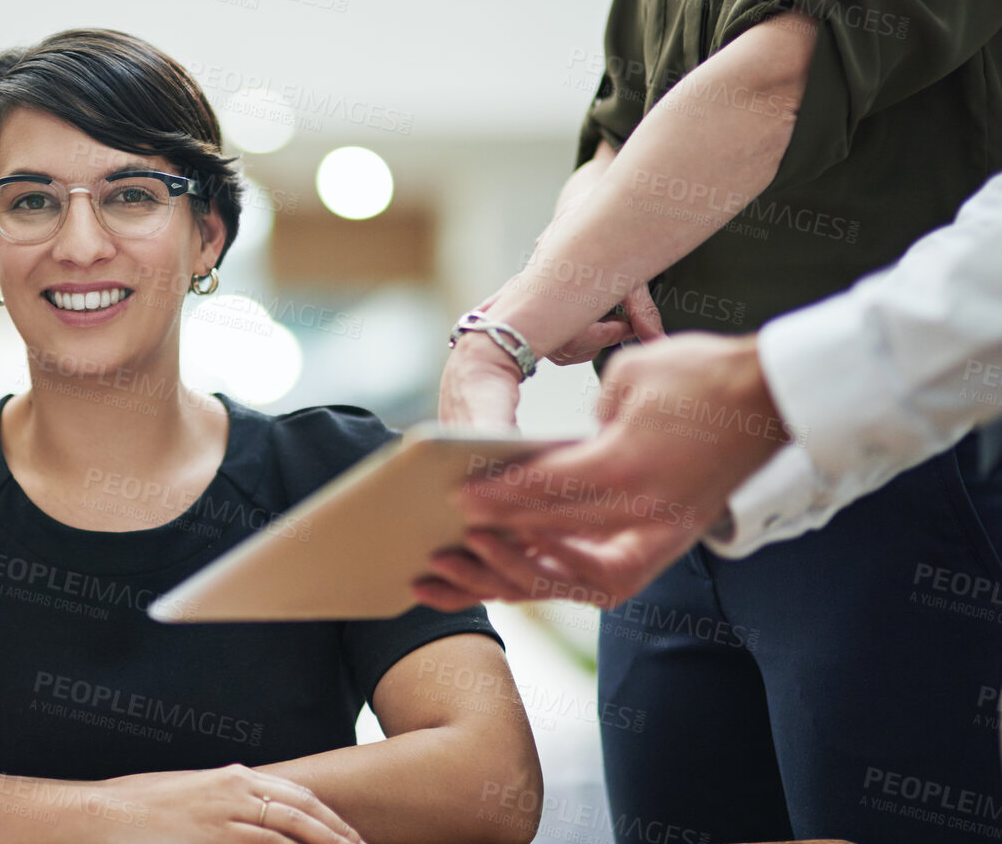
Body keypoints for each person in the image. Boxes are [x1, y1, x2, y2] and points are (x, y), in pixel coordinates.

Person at [0, 30, 543, 844]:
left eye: (131, 195)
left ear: (207, 234)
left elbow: (487, 773)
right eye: (30, 201)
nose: (81, 243)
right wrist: (128, 812)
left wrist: (199, 812)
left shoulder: (334, 475)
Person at [430, 0, 1002, 844]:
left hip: (890, 473)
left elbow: (780, 76)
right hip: (668, 489)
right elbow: (617, 134)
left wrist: (500, 341)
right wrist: (579, 271)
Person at [412, 171, 1002, 611]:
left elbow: (772, 78)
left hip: (879, 495)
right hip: (691, 504)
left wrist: (759, 385)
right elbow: (613, 136)